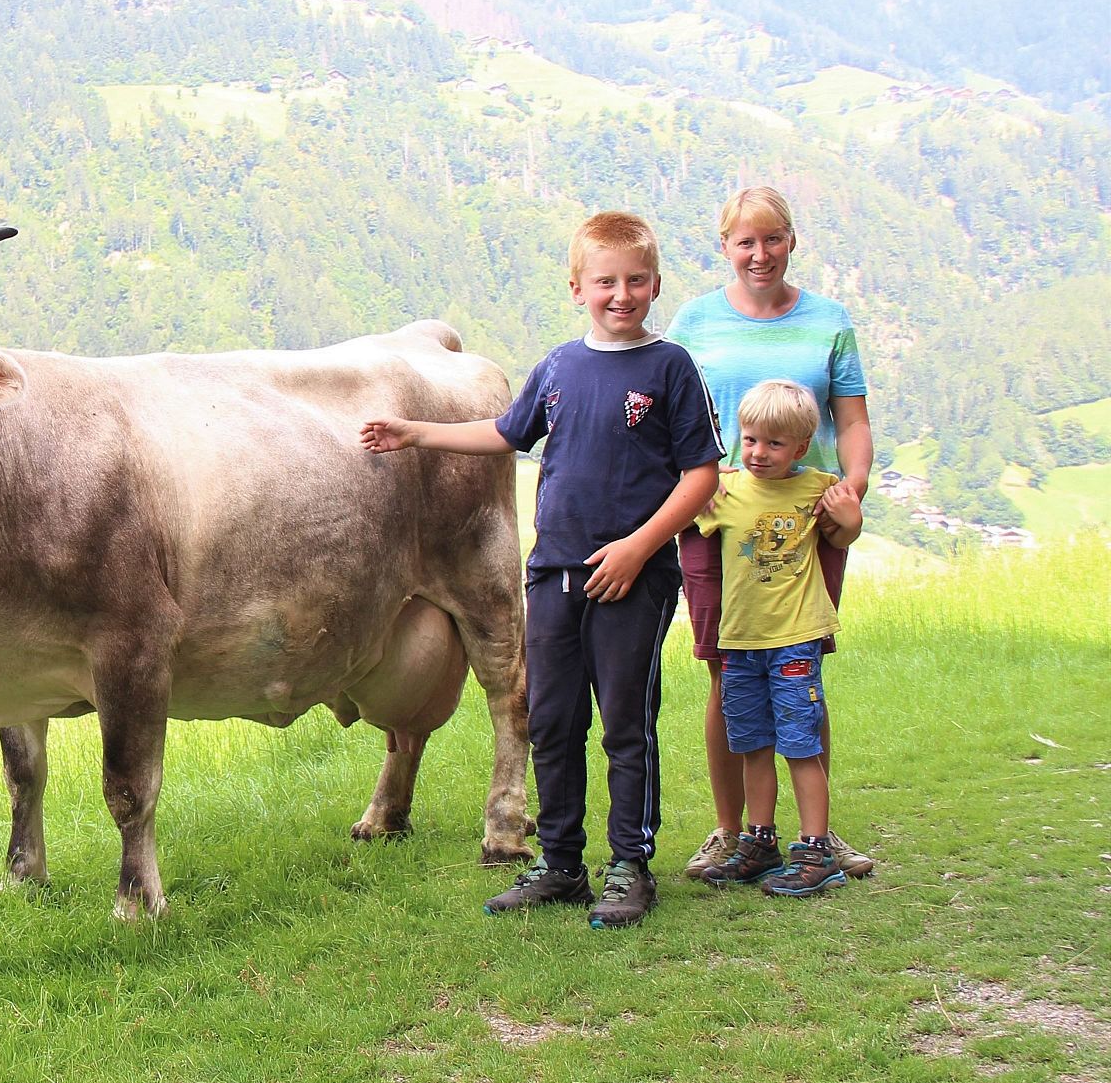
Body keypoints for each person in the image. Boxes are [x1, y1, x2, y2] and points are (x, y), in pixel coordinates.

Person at [361, 211, 721, 929]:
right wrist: (416, 433)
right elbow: (504, 434)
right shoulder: (558, 366)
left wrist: (638, 549)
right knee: (552, 720)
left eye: (636, 281)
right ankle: (559, 863)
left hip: (634, 576)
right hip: (553, 572)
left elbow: (702, 475)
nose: (621, 294)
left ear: (655, 284)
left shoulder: (670, 367)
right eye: (605, 282)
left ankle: (629, 865)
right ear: (577, 287)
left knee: (625, 723)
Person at [667, 187, 876, 882]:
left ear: (793, 240)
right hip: (717, 514)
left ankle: (816, 835)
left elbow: (851, 420)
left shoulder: (830, 320)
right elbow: (670, 417)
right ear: (724, 247)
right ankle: (735, 831)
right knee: (727, 672)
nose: (760, 254)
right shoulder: (694, 321)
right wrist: (695, 482)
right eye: (744, 242)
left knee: (800, 668)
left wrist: (852, 491)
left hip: (806, 519)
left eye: (773, 239)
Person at [692, 381, 862, 895]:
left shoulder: (818, 488)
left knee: (800, 743)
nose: (759, 454)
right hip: (739, 641)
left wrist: (850, 523)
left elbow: (841, 533)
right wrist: (702, 479)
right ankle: (759, 842)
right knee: (754, 744)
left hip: (795, 640)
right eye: (750, 441)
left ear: (801, 447)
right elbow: (676, 506)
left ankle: (815, 850)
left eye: (774, 443)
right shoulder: (723, 491)